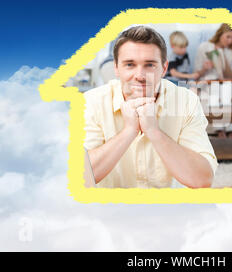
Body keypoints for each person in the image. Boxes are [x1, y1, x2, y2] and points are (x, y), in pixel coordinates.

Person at [83, 26, 218, 188]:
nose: (140, 76)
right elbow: (80, 178)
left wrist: (154, 132)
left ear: (164, 68)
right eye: (129, 65)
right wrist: (129, 132)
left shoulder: (186, 101)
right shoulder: (92, 102)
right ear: (116, 68)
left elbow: (202, 179)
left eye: (149, 65)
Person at [194, 23, 232, 138]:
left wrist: (223, 56)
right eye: (227, 37)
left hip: (226, 81)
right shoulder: (204, 47)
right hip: (209, 81)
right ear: (220, 34)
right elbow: (197, 74)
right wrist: (205, 68)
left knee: (229, 91)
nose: (230, 41)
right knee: (215, 91)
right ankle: (220, 130)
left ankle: (231, 130)